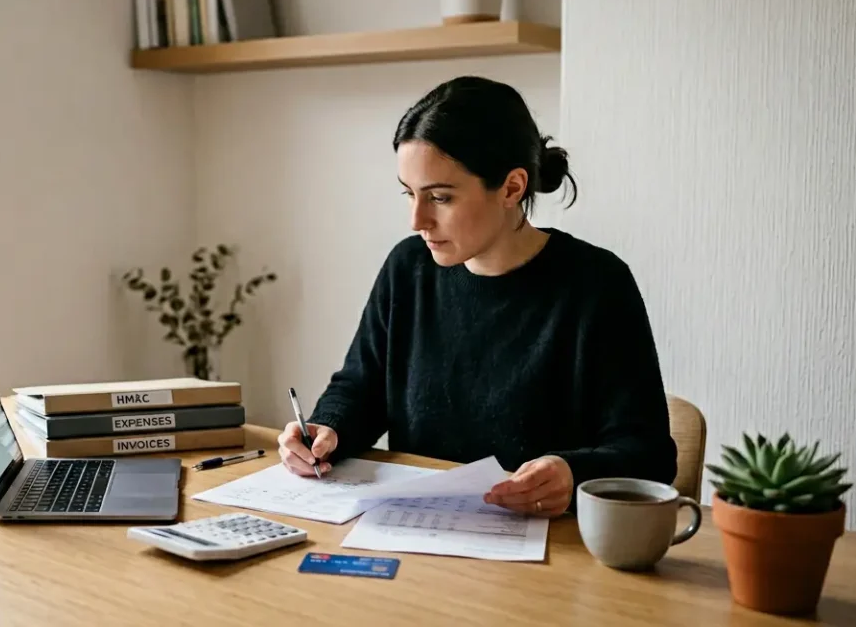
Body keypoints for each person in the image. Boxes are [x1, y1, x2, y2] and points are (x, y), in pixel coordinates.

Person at [277, 75, 677, 518]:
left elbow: (649, 455)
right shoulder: (408, 268)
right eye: (409, 194)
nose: (417, 220)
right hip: (419, 536)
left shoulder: (596, 284)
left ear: (511, 188)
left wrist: (572, 472)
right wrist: (326, 429)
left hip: (552, 555)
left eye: (440, 198)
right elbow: (360, 389)